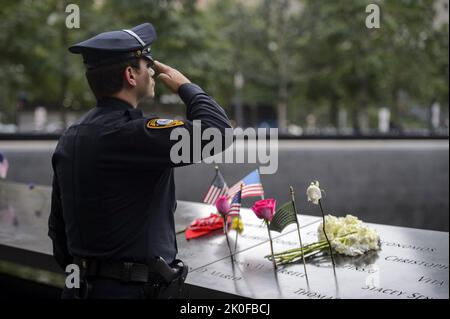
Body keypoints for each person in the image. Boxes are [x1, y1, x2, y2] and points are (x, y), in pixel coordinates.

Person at [48, 22, 232, 299]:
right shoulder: (136, 134)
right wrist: (185, 86)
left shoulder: (72, 136)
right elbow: (217, 131)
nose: (154, 73)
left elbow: (58, 230)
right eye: (148, 64)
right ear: (130, 75)